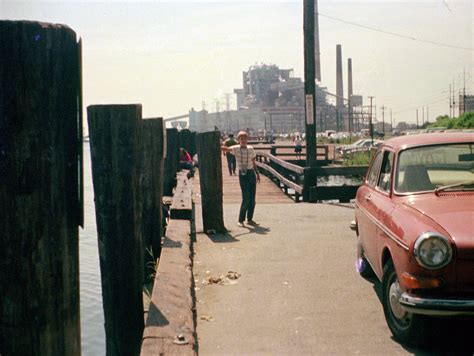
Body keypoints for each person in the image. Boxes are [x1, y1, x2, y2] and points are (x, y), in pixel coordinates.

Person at [221, 131, 260, 227]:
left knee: (252, 199)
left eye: (245, 138)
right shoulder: (236, 148)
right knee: (246, 198)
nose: (243, 140)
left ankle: (250, 219)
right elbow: (225, 149)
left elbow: (253, 161)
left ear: (247, 139)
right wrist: (219, 143)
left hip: (251, 173)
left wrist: (257, 173)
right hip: (243, 175)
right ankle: (240, 219)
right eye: (241, 139)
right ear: (238, 140)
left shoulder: (251, 149)